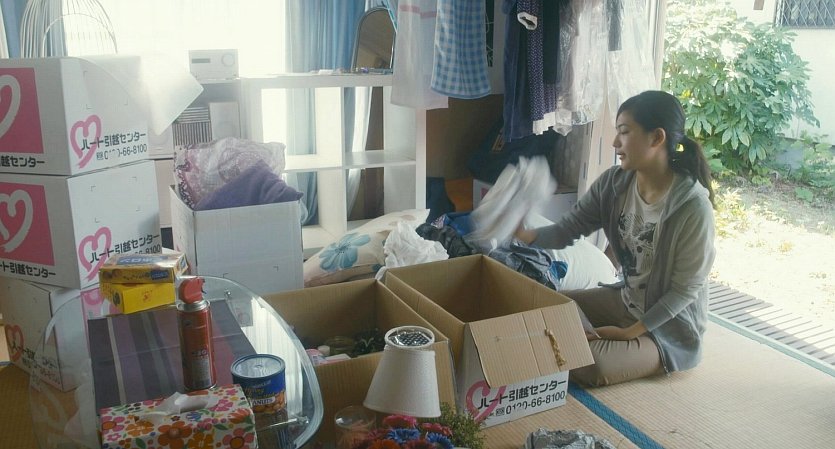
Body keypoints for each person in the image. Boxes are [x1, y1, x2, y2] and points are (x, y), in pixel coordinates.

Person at [515, 90, 716, 387]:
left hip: (667, 328)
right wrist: (524, 233)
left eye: (624, 132)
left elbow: (684, 291)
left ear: (656, 138)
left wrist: (628, 333)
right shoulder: (613, 183)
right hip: (625, 301)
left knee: (592, 366)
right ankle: (585, 339)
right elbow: (568, 229)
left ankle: (612, 347)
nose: (615, 143)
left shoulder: (692, 207)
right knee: (543, 308)